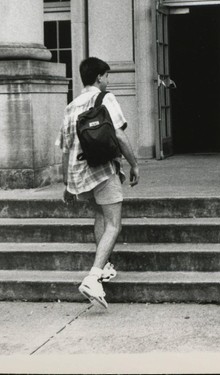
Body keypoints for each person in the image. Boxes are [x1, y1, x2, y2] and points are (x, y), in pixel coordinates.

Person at [58, 57, 139, 308]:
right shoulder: (106, 98)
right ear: (100, 77)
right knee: (114, 224)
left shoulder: (71, 106)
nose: (109, 80)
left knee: (101, 218)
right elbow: (118, 134)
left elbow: (64, 149)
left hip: (79, 174)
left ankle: (103, 268)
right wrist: (134, 163)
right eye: (107, 76)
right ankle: (93, 277)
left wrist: (66, 184)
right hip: (102, 168)